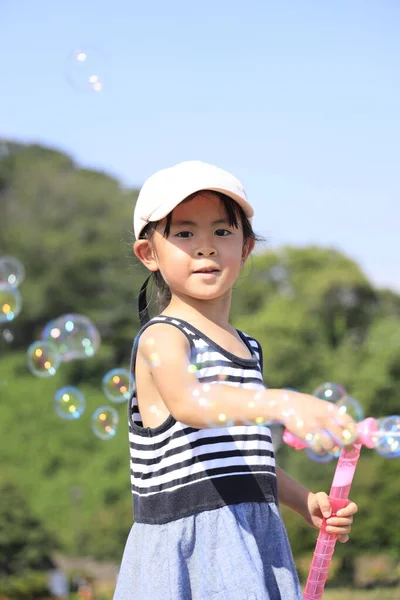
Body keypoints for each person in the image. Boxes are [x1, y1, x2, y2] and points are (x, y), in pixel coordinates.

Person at [114, 161, 358, 600]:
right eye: (185, 234)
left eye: (222, 233)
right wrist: (284, 403)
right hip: (191, 548)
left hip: (255, 539)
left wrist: (304, 501)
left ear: (246, 248)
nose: (205, 248)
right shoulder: (163, 337)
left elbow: (244, 454)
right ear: (149, 253)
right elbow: (190, 402)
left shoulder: (249, 347)